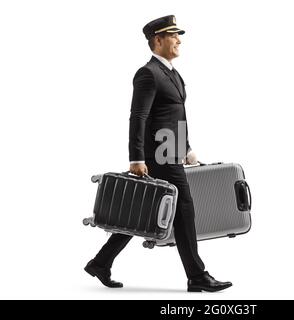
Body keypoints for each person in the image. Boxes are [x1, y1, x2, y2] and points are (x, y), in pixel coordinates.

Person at [84, 15, 232, 293]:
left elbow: (172, 116)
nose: (179, 40)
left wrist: (186, 149)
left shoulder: (173, 74)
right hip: (158, 157)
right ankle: (197, 276)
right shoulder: (148, 73)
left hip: (172, 152)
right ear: (158, 40)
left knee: (144, 210)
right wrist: (136, 158)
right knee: (184, 211)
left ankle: (101, 262)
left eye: (179, 35)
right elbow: (138, 117)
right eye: (173, 35)